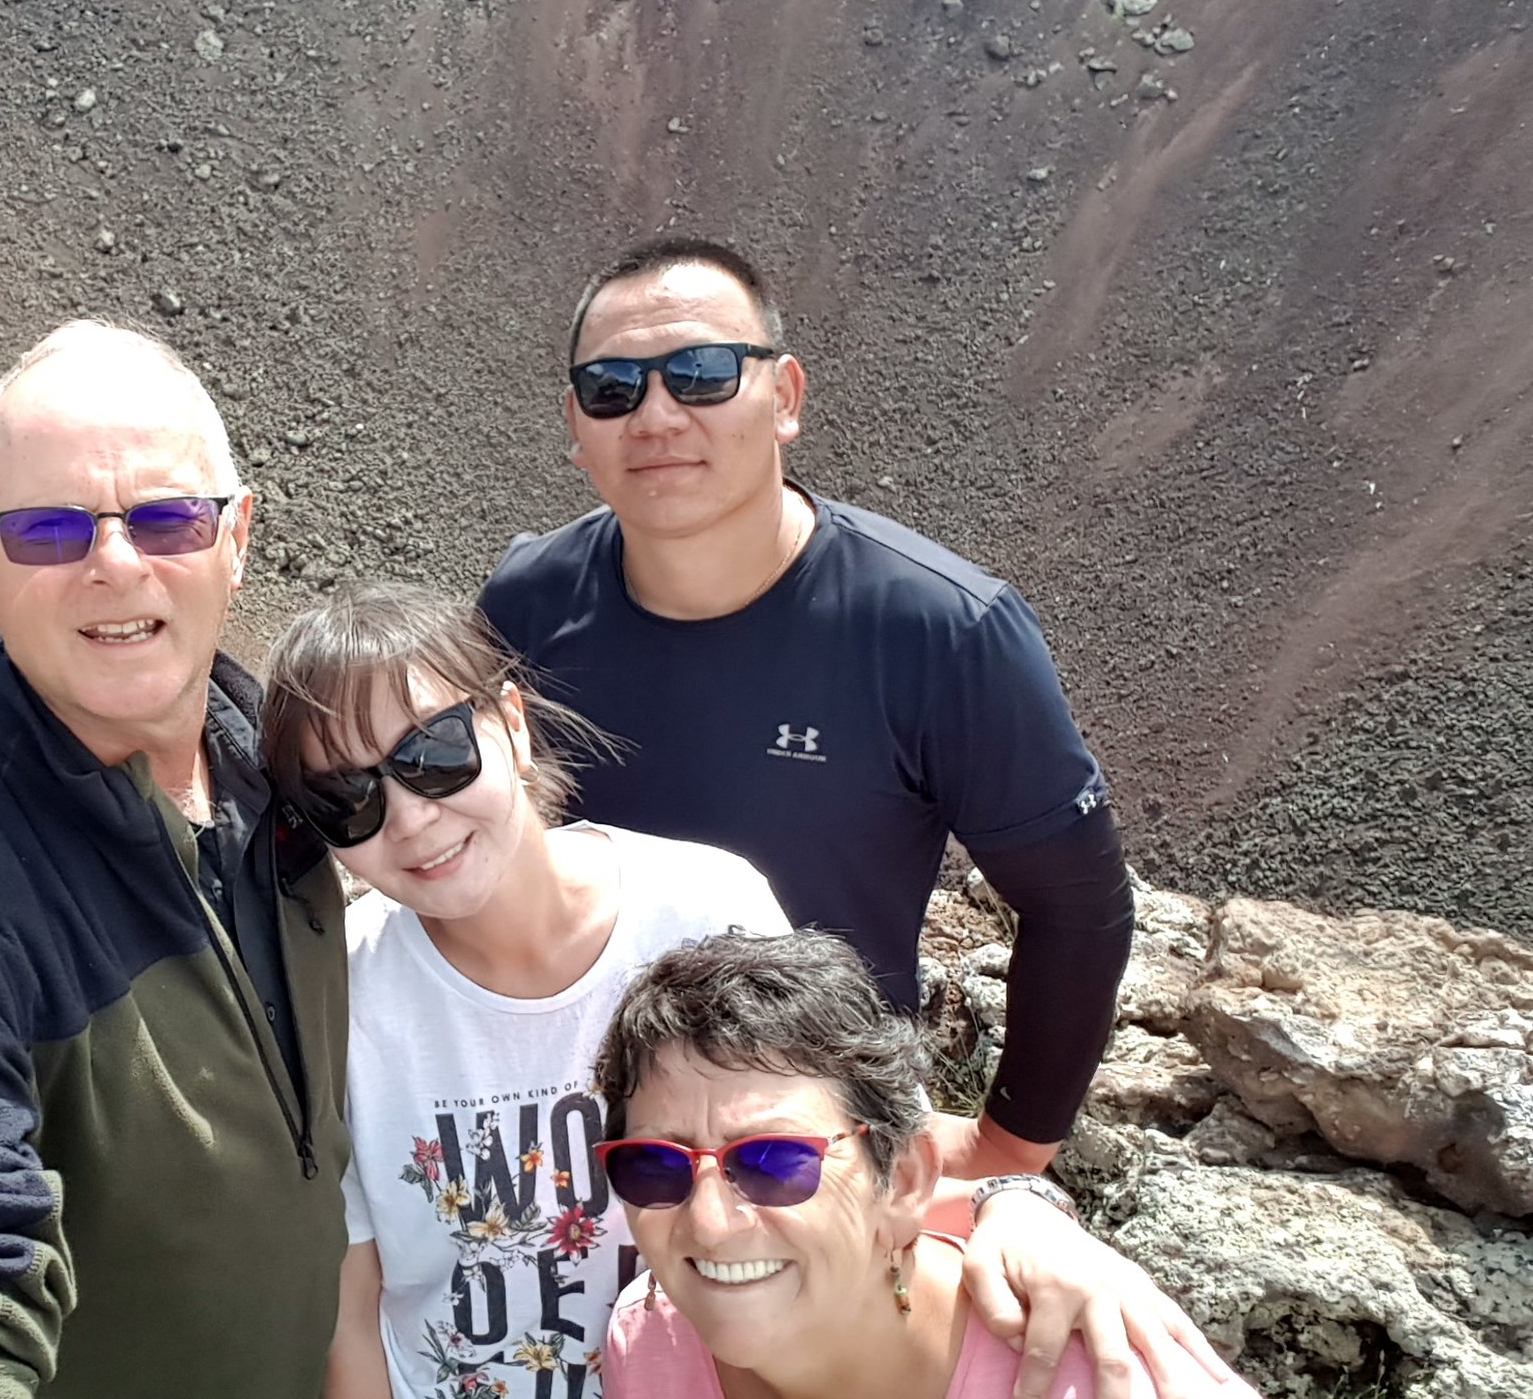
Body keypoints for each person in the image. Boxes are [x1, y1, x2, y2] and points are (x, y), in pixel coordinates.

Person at [263, 584, 1245, 1399]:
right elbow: (356, 1301)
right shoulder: (336, 990)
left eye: (432, 754)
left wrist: (1023, 1208)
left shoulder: (700, 902)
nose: (408, 815)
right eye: (344, 798)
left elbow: (856, 1148)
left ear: (511, 722)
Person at [480, 238, 1132, 1179]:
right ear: (576, 425)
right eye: (613, 386)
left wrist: (1006, 1151)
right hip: (585, 1135)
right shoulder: (526, 607)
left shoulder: (937, 630)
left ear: (784, 397)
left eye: (700, 374)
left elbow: (1078, 904)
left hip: (817, 1154)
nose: (656, 414)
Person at [0, 321, 349, 1399]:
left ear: (236, 537)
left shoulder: (307, 784)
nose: (114, 563)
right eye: (50, 528)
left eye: (168, 517)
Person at [595, 932, 1257, 1399]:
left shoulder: (1114, 1379)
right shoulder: (650, 1347)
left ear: (905, 1180)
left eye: (774, 1161)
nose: (710, 1225)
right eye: (655, 1166)